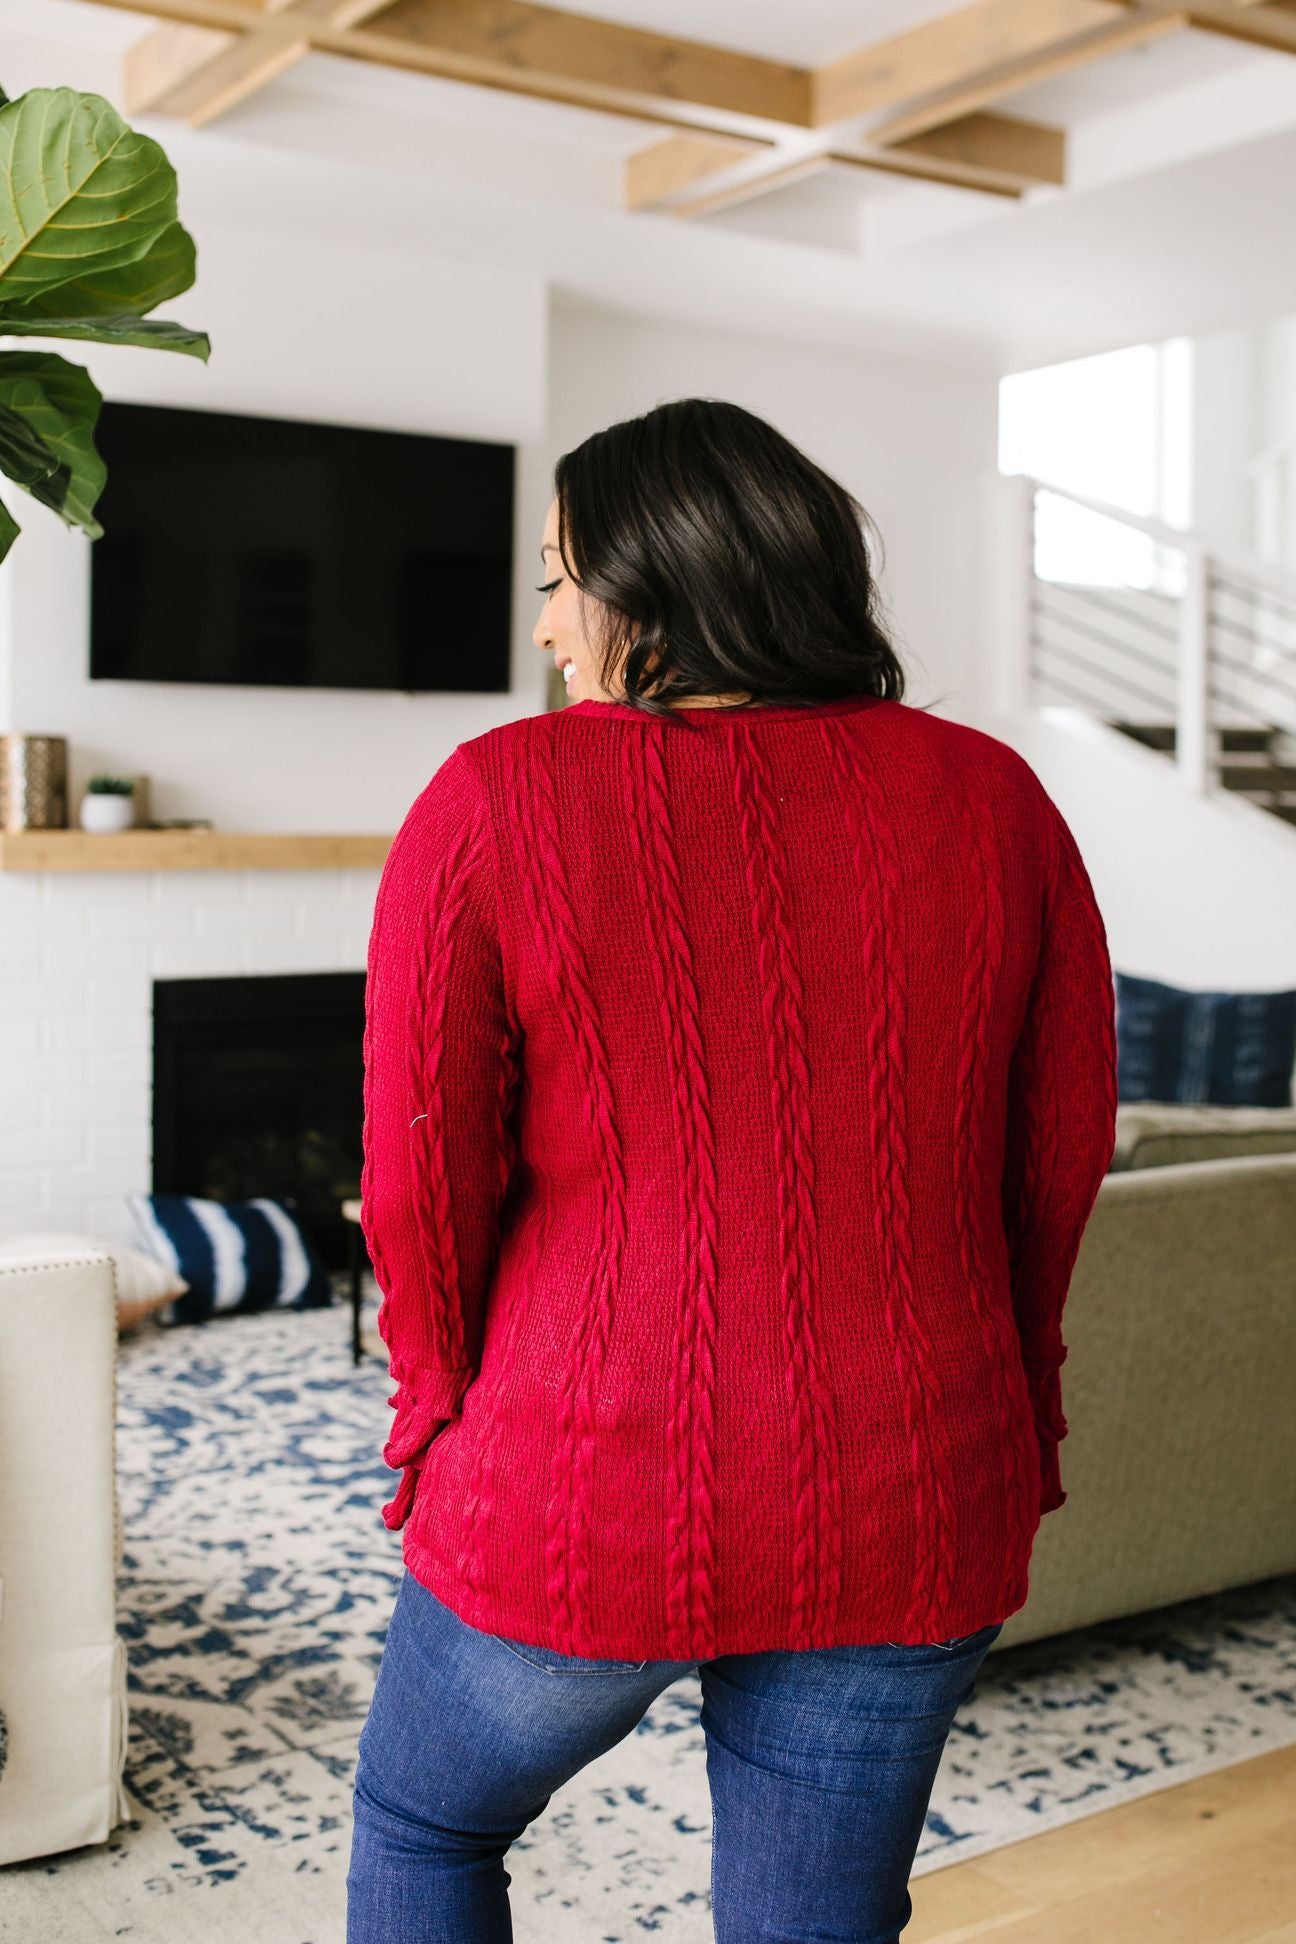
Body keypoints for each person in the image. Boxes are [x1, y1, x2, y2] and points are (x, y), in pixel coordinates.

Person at [346, 398, 1119, 1943]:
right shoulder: (998, 801)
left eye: (564, 575)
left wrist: (431, 1398)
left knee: (424, 1826)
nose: (547, 617)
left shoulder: (499, 796)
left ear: (657, 583)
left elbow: (420, 1174)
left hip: (583, 1479)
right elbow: (1056, 1166)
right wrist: (1012, 1394)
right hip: (915, 1480)